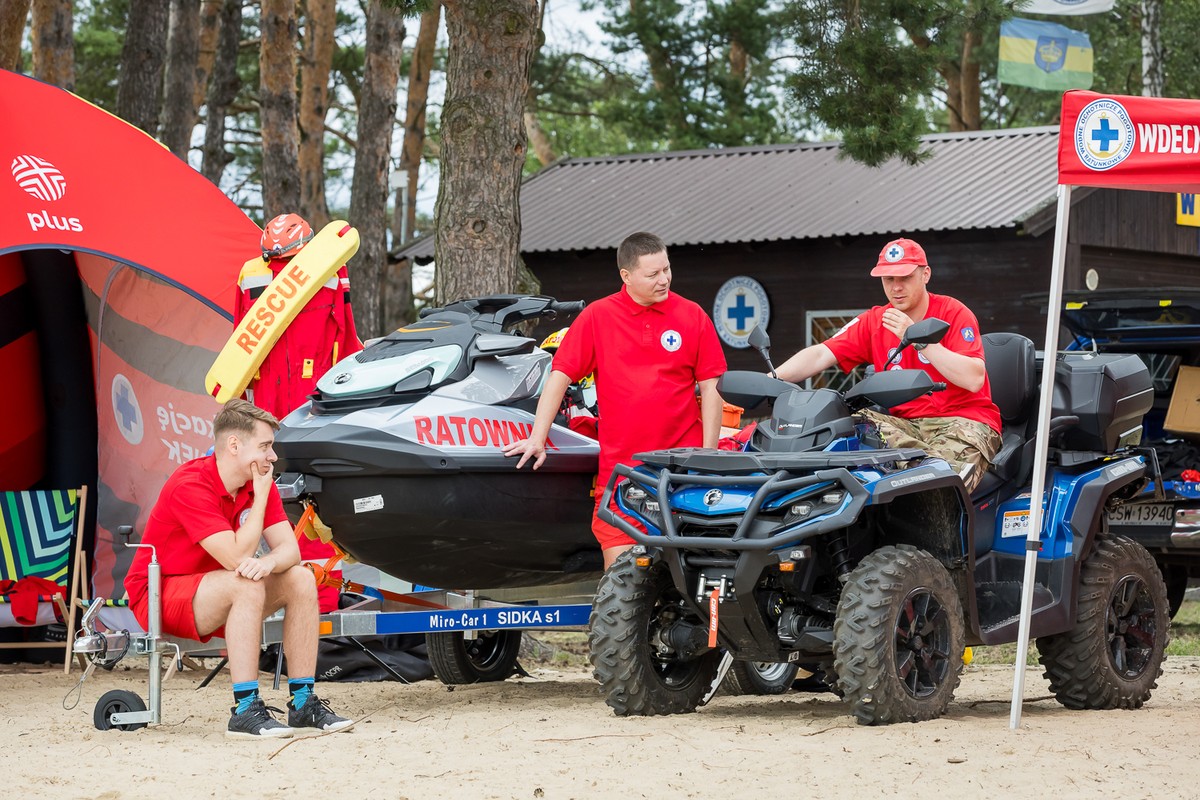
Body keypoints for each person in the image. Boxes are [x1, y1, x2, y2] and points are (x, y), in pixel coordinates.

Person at [124, 399, 352, 739]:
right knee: (245, 581)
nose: (272, 456)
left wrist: (268, 562)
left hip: (218, 588)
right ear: (234, 445)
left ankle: (303, 703)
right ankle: (245, 710)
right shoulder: (191, 483)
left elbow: (290, 550)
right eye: (265, 446)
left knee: (301, 579)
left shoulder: (255, 482)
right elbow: (235, 557)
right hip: (157, 596)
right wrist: (260, 500)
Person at [504, 232, 727, 569]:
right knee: (621, 580)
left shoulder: (692, 315)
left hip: (684, 468)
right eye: (652, 274)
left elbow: (712, 387)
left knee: (688, 576)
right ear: (626, 276)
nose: (664, 279)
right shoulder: (598, 316)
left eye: (666, 269)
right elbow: (560, 376)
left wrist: (707, 456)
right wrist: (538, 437)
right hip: (624, 471)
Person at [773, 237, 1002, 493]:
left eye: (905, 277)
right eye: (888, 279)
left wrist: (917, 338)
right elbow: (820, 354)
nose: (896, 288)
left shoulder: (954, 312)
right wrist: (771, 379)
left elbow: (973, 379)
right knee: (848, 421)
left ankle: (933, 476)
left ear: (925, 274)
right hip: (905, 427)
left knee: (941, 491)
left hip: (964, 421)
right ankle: (926, 468)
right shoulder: (876, 320)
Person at [237, 212, 363, 612]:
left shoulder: (331, 269)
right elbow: (240, 341)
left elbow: (346, 333)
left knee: (315, 495)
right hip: (268, 402)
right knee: (266, 495)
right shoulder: (250, 274)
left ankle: (320, 597)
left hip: (311, 397)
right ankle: (264, 591)